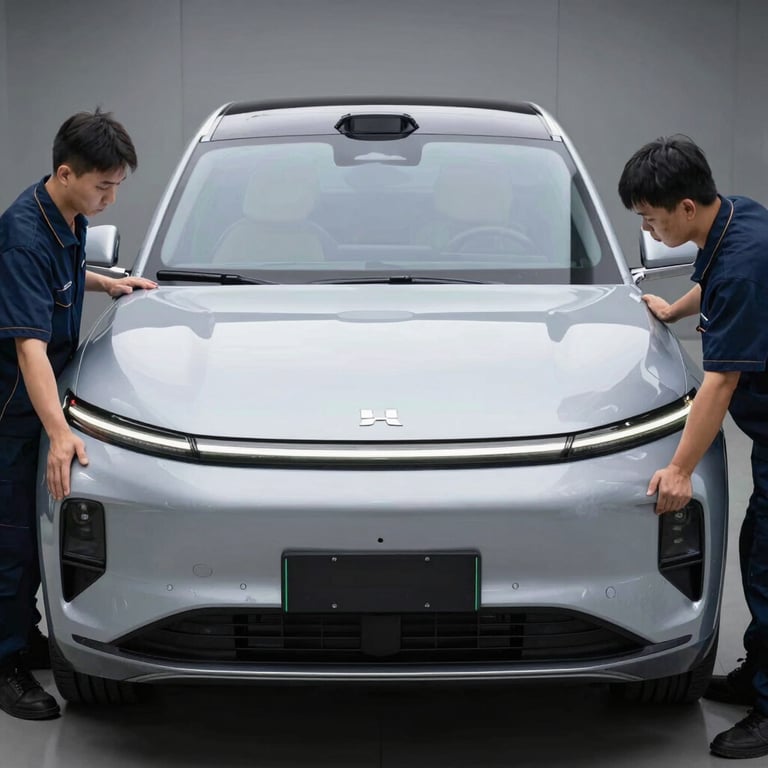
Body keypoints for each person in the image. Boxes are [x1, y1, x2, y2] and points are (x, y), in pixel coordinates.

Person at [0, 109, 157, 720]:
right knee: (11, 544)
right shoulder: (22, 235)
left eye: (117, 185)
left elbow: (58, 279)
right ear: (65, 173)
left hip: (38, 406)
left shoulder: (65, 216)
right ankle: (8, 665)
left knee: (37, 535)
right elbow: (29, 348)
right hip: (13, 414)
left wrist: (105, 283)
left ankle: (27, 636)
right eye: (102, 185)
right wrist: (59, 434)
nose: (110, 197)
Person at [619, 135, 768, 759]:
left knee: (767, 568)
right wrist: (674, 311)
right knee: (757, 549)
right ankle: (756, 675)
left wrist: (678, 469)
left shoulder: (744, 262)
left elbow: (721, 380)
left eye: (652, 218)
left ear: (685, 205)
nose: (650, 229)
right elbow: (710, 286)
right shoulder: (735, 216)